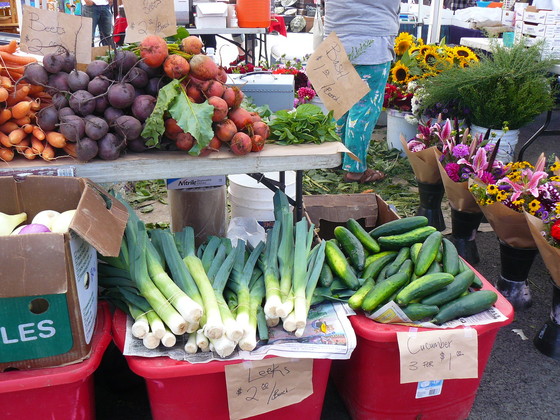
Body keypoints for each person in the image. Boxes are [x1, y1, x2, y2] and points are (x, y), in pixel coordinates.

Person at [323, 0, 399, 183]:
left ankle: (335, 159)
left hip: (336, 41)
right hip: (372, 40)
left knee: (340, 104)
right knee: (364, 108)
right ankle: (355, 170)